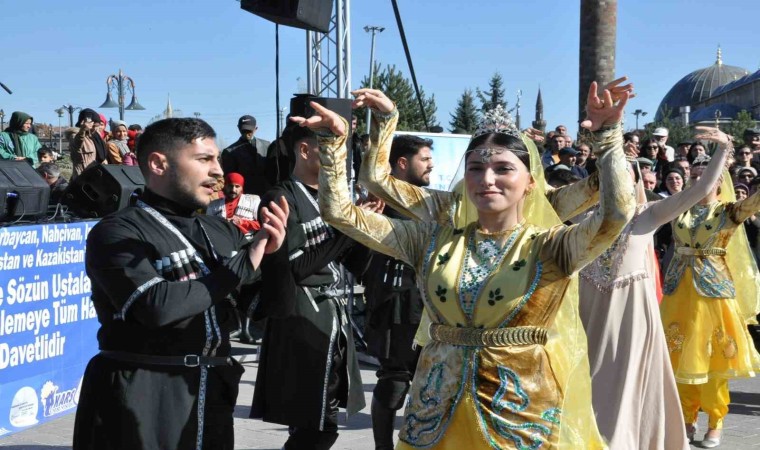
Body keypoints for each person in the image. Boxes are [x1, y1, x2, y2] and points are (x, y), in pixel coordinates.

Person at [300, 80, 635, 448]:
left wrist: (608, 137)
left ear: (530, 182)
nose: (486, 179)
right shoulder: (429, 238)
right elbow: (341, 213)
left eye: (503, 169)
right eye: (475, 168)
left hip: (519, 413)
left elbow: (617, 212)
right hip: (435, 411)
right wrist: (332, 144)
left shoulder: (553, 247)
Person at [72, 117, 292, 450]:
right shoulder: (117, 232)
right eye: (204, 159)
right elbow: (156, 307)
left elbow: (270, 308)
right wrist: (245, 262)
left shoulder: (221, 231)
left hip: (210, 392)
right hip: (141, 394)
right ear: (159, 164)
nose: (218, 171)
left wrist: (277, 253)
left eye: (217, 159)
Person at [579, 126, 731, 449]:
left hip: (631, 318)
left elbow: (702, 188)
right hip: (588, 315)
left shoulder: (647, 215)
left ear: (634, 181)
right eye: (606, 175)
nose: (614, 181)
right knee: (589, 387)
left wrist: (723, 148)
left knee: (626, 387)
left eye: (622, 174)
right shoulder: (581, 221)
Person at [250, 123, 369, 450]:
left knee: (321, 423)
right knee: (317, 426)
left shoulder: (331, 199)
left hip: (332, 318)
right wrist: (346, 230)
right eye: (331, 148)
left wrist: (365, 229)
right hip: (301, 317)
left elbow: (356, 266)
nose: (340, 157)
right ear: (304, 150)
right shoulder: (280, 197)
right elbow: (294, 268)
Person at [660, 130, 760, 447]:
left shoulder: (728, 211)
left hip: (713, 295)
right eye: (694, 176)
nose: (698, 181)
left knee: (714, 361)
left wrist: (728, 147)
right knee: (680, 360)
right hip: (679, 292)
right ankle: (686, 419)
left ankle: (715, 422)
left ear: (719, 181)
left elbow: (756, 201)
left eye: (706, 177)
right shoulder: (678, 208)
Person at [362, 134, 432, 450]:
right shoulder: (383, 198)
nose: (430, 164)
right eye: (424, 158)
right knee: (394, 379)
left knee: (429, 379)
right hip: (397, 301)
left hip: (430, 302)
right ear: (402, 163)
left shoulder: (429, 201)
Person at [221, 115, 271, 196]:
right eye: (243, 131)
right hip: (244, 196)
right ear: (238, 128)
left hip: (266, 194)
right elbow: (230, 179)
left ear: (256, 128)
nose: (246, 133)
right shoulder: (229, 152)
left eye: (249, 130)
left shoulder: (267, 146)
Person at [68, 108, 108, 179]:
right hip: (82, 175)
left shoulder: (95, 136)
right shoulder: (75, 135)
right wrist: (82, 130)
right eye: (93, 126)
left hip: (95, 174)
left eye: (97, 126)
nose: (95, 129)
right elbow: (77, 145)